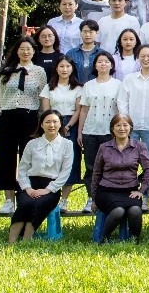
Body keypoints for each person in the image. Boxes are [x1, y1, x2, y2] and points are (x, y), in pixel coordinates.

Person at [8, 109, 72, 244]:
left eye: (55, 122)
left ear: (60, 124)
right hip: (29, 183)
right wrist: (28, 188)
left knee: (38, 204)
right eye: (47, 122)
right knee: (25, 203)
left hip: (51, 187)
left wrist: (48, 189)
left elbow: (65, 172)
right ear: (41, 124)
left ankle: (26, 240)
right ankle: (11, 241)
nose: (51, 125)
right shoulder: (32, 144)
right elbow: (23, 169)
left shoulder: (67, 145)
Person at [92, 114, 149, 243]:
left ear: (130, 128)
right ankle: (104, 239)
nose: (122, 128)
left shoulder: (139, 146)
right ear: (112, 129)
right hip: (107, 191)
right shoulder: (104, 147)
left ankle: (134, 241)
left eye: (125, 125)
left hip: (130, 192)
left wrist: (141, 191)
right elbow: (96, 173)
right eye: (118, 125)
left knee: (135, 211)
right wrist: (94, 198)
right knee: (118, 211)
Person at [77, 52, 121, 212]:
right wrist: (80, 132)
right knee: (91, 167)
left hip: (110, 132)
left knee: (110, 166)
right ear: (95, 65)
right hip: (90, 131)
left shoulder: (118, 85)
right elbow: (84, 110)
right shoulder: (88, 85)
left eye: (106, 61)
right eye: (100, 62)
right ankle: (92, 198)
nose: (103, 64)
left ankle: (108, 198)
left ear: (111, 65)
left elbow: (120, 110)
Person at [39, 57, 83, 212]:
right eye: (61, 66)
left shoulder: (78, 88)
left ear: (72, 68)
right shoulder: (48, 88)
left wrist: (68, 126)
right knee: (51, 160)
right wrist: (54, 125)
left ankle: (64, 200)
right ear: (56, 68)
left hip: (71, 124)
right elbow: (46, 110)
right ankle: (50, 197)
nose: (65, 69)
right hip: (52, 124)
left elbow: (78, 110)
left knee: (71, 161)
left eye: (68, 66)